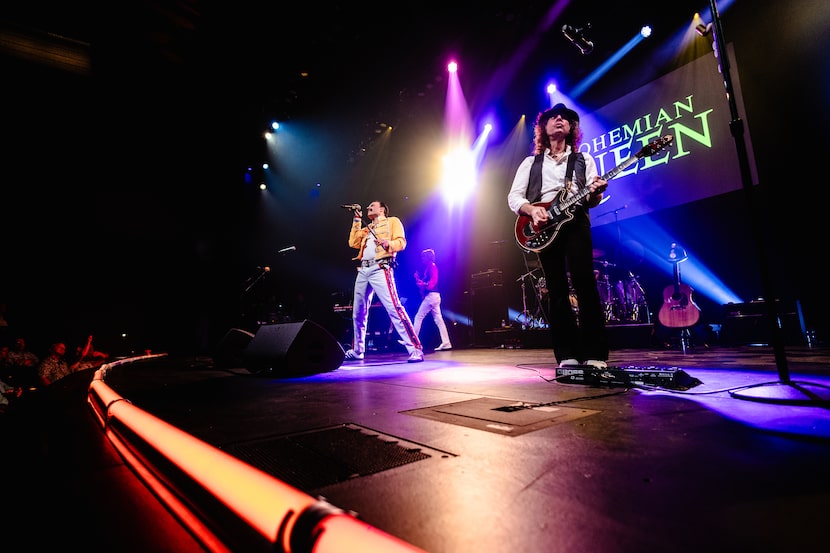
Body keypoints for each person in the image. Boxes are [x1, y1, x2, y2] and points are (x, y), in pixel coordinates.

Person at [507, 103, 609, 369]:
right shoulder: (531, 163)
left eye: (565, 118)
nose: (560, 119)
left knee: (585, 284)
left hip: (575, 223)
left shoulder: (583, 159)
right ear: (543, 127)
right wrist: (532, 210)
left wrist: (596, 192)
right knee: (556, 290)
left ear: (572, 128)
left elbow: (593, 199)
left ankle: (596, 354)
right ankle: (567, 355)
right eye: (553, 117)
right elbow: (514, 197)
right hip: (545, 228)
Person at [345, 200, 424, 363]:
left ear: (382, 209)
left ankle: (415, 349)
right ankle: (358, 350)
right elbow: (353, 243)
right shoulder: (368, 228)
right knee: (358, 312)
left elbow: (401, 242)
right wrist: (357, 219)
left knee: (394, 308)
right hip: (363, 270)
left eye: (371, 206)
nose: (368, 208)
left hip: (380, 268)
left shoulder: (392, 221)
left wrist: (388, 243)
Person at [412, 248, 452, 351]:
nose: (422, 259)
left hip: (432, 296)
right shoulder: (428, 268)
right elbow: (425, 285)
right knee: (439, 320)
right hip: (434, 296)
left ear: (428, 257)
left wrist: (423, 284)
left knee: (418, 317)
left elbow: (433, 282)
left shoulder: (432, 267)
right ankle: (446, 343)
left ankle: (413, 341)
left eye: (423, 257)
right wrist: (418, 280)